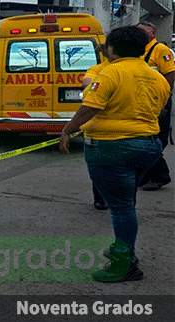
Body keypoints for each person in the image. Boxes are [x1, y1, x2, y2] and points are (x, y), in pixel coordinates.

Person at [59, 26, 170, 283]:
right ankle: (123, 247)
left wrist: (67, 130)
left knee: (121, 208)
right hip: (148, 146)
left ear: (111, 48)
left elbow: (90, 107)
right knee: (125, 201)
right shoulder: (158, 78)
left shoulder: (109, 74)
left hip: (111, 147)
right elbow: (160, 109)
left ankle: (125, 261)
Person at [136, 21, 174, 191]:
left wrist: (164, 101)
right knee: (144, 138)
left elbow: (170, 75)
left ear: (153, 33)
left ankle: (160, 176)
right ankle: (149, 175)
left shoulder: (161, 50)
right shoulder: (138, 50)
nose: (141, 34)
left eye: (144, 31)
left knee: (154, 140)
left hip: (158, 100)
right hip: (142, 100)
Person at [81, 44, 110, 210]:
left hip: (100, 132)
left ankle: (102, 199)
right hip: (138, 134)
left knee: (99, 168)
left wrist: (69, 129)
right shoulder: (146, 71)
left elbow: (89, 93)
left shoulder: (99, 71)